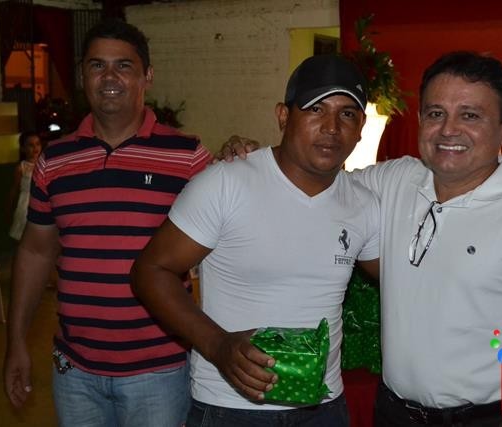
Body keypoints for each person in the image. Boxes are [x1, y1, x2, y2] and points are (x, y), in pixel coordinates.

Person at [222, 51, 502, 426]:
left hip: (486, 417)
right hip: (393, 412)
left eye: (470, 115)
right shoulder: (393, 181)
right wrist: (257, 161)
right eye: (436, 113)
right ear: (420, 120)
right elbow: (314, 180)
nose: (448, 130)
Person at [131, 54, 381, 427]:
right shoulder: (227, 183)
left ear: (361, 128)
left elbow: (403, 281)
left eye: (347, 114)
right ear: (283, 115)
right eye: (316, 109)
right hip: (230, 407)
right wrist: (218, 345)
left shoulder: (363, 204)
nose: (331, 127)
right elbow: (150, 271)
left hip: (324, 408)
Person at [3, 19, 211, 427]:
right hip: (75, 372)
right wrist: (16, 342)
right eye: (97, 65)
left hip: (159, 372)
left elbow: (229, 248)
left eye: (124, 66)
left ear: (147, 76)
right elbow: (36, 252)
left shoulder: (187, 157)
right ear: (83, 75)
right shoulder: (54, 160)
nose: (110, 77)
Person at [7, 131, 43, 240]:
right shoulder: (21, 168)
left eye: (37, 144)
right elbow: (14, 189)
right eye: (31, 145)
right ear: (23, 148)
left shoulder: (45, 164)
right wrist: (9, 207)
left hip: (42, 202)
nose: (35, 148)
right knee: (25, 234)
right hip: (26, 204)